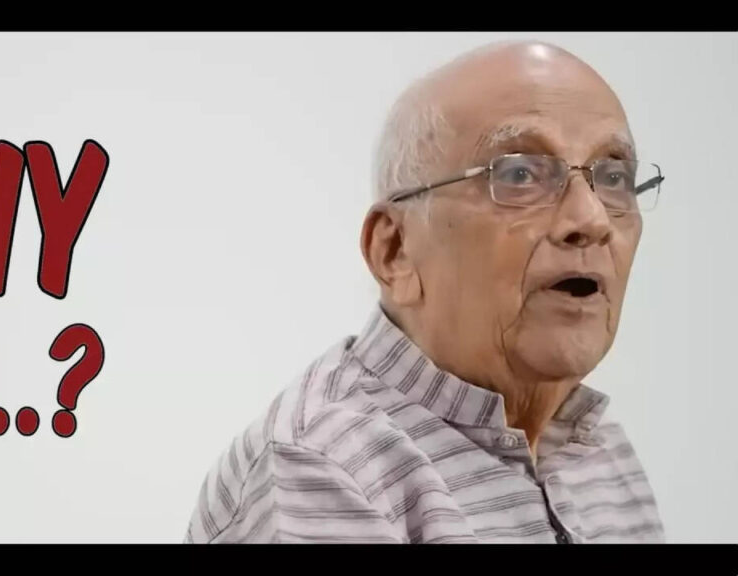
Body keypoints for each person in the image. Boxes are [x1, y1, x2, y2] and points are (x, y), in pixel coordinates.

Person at [184, 40, 666, 544]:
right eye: (520, 174)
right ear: (394, 250)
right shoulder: (321, 467)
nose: (591, 219)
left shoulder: (598, 447)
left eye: (613, 177)